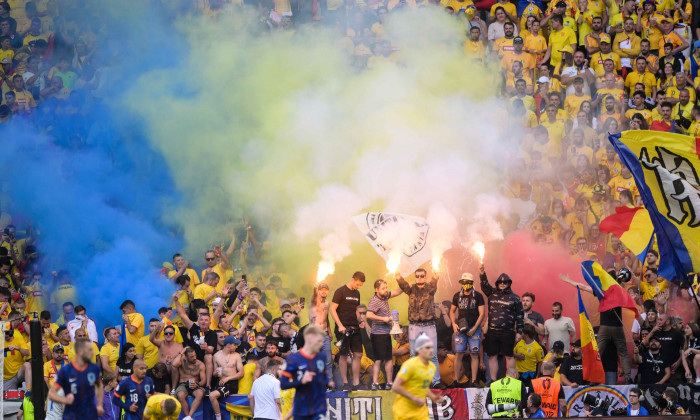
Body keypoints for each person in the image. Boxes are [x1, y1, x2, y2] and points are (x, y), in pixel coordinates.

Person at [397, 268, 444, 388]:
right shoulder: (410, 289)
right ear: (414, 277)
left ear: (425, 276)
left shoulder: (430, 288)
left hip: (429, 325)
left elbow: (435, 280)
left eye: (422, 276)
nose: (419, 278)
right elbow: (402, 284)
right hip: (414, 326)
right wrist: (397, 276)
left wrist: (436, 276)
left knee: (432, 355)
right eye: (417, 276)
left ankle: (435, 382)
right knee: (413, 355)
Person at [480, 264, 524, 383]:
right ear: (497, 283)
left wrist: (519, 332)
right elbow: (484, 286)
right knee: (492, 356)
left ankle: (512, 380)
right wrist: (482, 273)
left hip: (508, 331)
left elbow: (520, 316)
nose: (502, 285)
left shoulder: (515, 298)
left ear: (509, 283)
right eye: (500, 283)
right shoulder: (492, 293)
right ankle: (493, 381)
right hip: (492, 331)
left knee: (509, 356)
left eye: (505, 283)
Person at [391, 333, 445, 420]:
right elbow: (395, 387)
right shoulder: (410, 365)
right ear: (419, 350)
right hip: (404, 411)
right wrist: (414, 398)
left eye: (431, 347)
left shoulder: (432, 367)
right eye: (427, 348)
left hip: (420, 412)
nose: (431, 350)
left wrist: (433, 397)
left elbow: (422, 386)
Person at [280, 324, 329, 420]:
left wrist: (328, 382)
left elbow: (323, 379)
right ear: (310, 339)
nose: (322, 344)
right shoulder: (293, 359)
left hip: (319, 409)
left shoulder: (321, 358)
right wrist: (301, 382)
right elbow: (283, 385)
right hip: (301, 410)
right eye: (319, 341)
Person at [48, 338, 105, 419]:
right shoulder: (65, 371)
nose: (92, 353)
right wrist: (65, 400)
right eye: (89, 350)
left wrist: (99, 405)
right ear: (80, 351)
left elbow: (99, 386)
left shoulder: (94, 368)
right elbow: (51, 394)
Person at [330, 271, 364, 391]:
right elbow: (332, 309)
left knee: (358, 354)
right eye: (358, 284)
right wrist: (339, 325)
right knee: (343, 355)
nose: (358, 287)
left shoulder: (357, 293)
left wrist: (360, 320)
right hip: (343, 328)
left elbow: (356, 310)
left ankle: (356, 383)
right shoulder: (340, 291)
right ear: (353, 279)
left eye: (360, 285)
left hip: (355, 327)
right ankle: (345, 383)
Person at [366, 278, 403, 390]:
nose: (386, 290)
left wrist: (402, 281)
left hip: (386, 333)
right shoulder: (375, 300)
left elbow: (398, 291)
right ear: (377, 289)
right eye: (383, 288)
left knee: (389, 358)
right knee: (378, 359)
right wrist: (384, 319)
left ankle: (390, 383)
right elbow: (368, 315)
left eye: (386, 288)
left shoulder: (385, 296)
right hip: (377, 334)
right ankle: (375, 383)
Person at [450, 272, 485, 387]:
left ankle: (474, 381)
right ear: (461, 283)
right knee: (458, 354)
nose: (466, 285)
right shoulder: (457, 295)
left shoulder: (478, 296)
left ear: (472, 283)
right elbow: (451, 311)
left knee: (474, 354)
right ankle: (456, 380)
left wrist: (475, 328)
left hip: (474, 328)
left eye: (468, 282)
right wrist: (454, 324)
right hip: (460, 328)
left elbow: (482, 313)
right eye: (464, 282)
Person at [209, 335, 244, 420]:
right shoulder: (216, 356)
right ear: (228, 345)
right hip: (220, 382)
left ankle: (218, 418)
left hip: (231, 383)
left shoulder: (236, 356)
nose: (236, 346)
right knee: (209, 396)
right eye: (235, 345)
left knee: (212, 395)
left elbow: (241, 373)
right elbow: (214, 374)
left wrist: (228, 378)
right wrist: (215, 373)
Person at [172, 347, 206, 420]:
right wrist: (182, 352)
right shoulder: (182, 361)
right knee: (180, 395)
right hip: (183, 384)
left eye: (195, 355)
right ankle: (188, 416)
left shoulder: (200, 364)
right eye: (191, 357)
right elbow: (174, 364)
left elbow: (203, 380)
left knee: (200, 394)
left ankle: (189, 416)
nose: (194, 358)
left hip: (195, 384)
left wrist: (198, 385)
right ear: (186, 357)